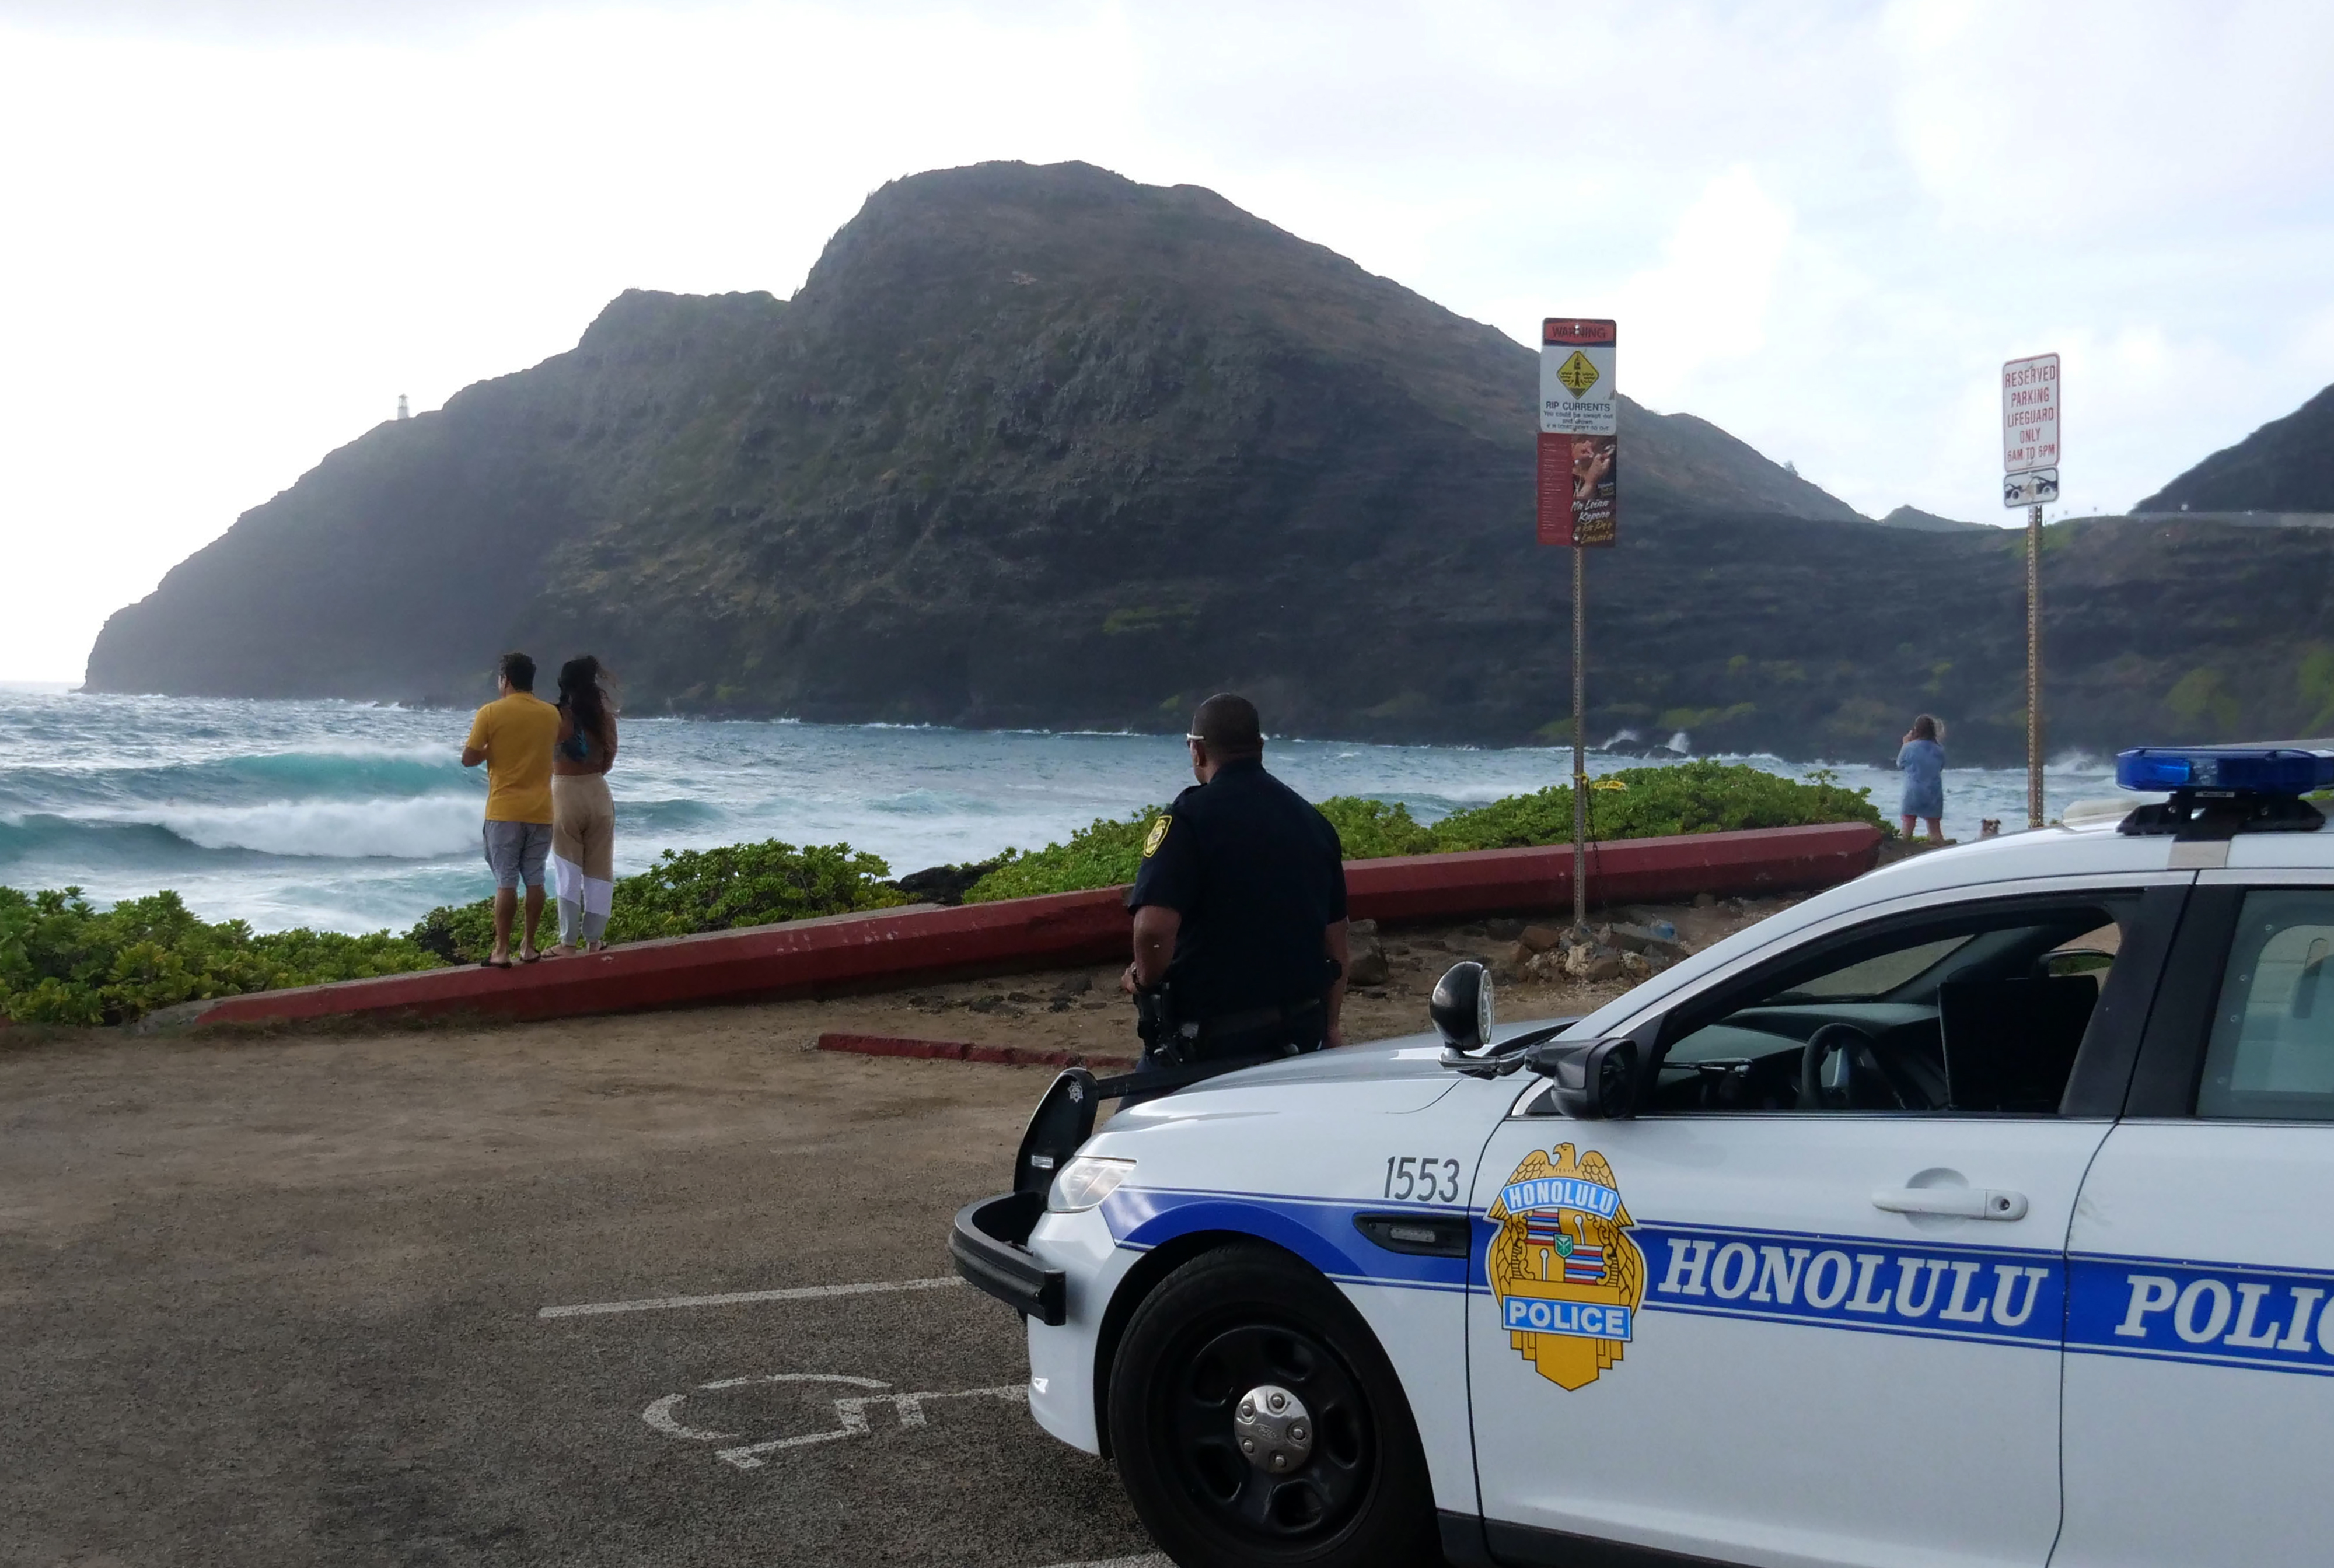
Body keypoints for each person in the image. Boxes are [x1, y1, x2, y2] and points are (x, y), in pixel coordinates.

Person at [1120, 693, 1350, 1088]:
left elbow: (1154, 929)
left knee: (1125, 1136)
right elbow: (1337, 944)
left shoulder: (1187, 822)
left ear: (1197, 751)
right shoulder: (1313, 823)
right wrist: (1330, 1030)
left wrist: (1144, 980)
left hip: (1211, 1041)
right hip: (1299, 1032)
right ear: (1260, 747)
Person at [460, 652, 561, 967]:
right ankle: (529, 947)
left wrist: (493, 750)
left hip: (504, 810)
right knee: (535, 879)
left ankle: (501, 950)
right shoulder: (551, 715)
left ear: (505, 679)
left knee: (506, 880)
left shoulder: (490, 712)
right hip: (542, 810)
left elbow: (469, 757)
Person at [548, 655, 620, 957]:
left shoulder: (554, 716)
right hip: (597, 791)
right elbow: (608, 761)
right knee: (600, 870)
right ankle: (595, 941)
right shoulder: (605, 717)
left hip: (563, 793)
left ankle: (568, 943)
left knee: (567, 869)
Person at [1898, 713, 1947, 844]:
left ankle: (1905, 850)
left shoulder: (1909, 747)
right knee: (1934, 828)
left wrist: (1905, 744)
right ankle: (1939, 852)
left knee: (1908, 824)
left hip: (1913, 790)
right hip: (1933, 791)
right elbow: (1941, 766)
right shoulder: (1939, 749)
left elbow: (1900, 764)